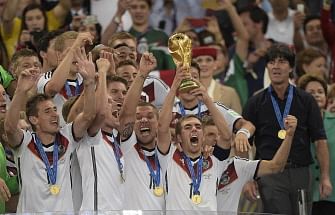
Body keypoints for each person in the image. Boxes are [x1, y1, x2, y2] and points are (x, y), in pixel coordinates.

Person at [242, 43, 332, 215]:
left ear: (291, 67)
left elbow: (320, 141)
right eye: (271, 62)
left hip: (301, 172)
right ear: (267, 66)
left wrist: (325, 177)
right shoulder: (255, 102)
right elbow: (243, 144)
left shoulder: (306, 100)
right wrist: (246, 179)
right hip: (269, 174)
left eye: (282, 61)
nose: (276, 66)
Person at [4, 47, 96, 213]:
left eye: (55, 109)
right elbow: (10, 127)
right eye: (47, 111)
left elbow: (88, 116)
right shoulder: (25, 142)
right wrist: (20, 91)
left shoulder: (67, 137)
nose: (55, 114)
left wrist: (89, 82)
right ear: (34, 119)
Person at [156, 66, 232, 213]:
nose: (194, 129)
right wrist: (174, 88)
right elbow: (162, 127)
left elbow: (226, 136)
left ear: (203, 136)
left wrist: (207, 100)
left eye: (198, 126)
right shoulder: (168, 156)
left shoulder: (214, 159)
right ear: (178, 138)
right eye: (187, 127)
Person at [116, 52, 166, 211]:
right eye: (138, 117)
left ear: (158, 124)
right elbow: (126, 115)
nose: (144, 120)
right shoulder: (127, 147)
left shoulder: (169, 153)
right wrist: (142, 74)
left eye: (150, 116)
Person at [172, 62, 254, 153]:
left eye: (194, 77)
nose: (189, 82)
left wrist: (242, 133)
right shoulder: (169, 111)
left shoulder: (215, 107)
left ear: (200, 82)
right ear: (176, 82)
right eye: (184, 78)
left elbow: (248, 125)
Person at [36, 31, 94, 125]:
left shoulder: (89, 79)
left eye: (81, 51)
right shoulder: (46, 78)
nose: (77, 56)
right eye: (73, 51)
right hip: (58, 137)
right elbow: (53, 88)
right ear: (59, 55)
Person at [297, 74, 335, 214]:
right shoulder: (296, 125)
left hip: (333, 191)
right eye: (311, 93)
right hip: (306, 190)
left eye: (320, 92)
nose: (317, 95)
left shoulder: (334, 120)